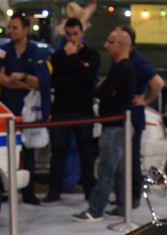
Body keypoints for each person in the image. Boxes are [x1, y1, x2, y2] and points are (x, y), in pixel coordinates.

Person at [73, 27, 134, 222]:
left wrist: (102, 88)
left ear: (121, 45)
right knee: (119, 171)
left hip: (115, 127)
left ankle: (95, 210)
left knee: (106, 171)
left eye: (110, 42)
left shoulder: (121, 69)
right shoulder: (123, 67)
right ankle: (122, 207)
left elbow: (102, 92)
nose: (106, 45)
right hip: (119, 126)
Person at [0, 12, 50, 205]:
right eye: (9, 27)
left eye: (15, 27)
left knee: (29, 151)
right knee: (8, 151)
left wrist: (22, 78)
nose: (11, 31)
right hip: (8, 109)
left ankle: (29, 191)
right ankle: (6, 188)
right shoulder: (2, 50)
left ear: (25, 29)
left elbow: (40, 82)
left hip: (30, 110)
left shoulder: (37, 52)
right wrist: (20, 82)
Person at [46, 16, 99, 203]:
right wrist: (78, 70)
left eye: (75, 34)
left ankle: (89, 191)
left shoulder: (91, 54)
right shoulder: (57, 56)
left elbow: (88, 78)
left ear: (82, 33)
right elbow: (56, 82)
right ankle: (54, 191)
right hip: (61, 110)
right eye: (68, 35)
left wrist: (73, 58)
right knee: (57, 152)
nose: (72, 38)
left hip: (83, 111)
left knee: (86, 152)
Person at [119, 24, 162, 206]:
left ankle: (134, 195)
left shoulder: (137, 61)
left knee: (132, 157)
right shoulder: (122, 58)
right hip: (124, 115)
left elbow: (158, 83)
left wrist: (145, 99)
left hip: (134, 116)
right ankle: (125, 194)